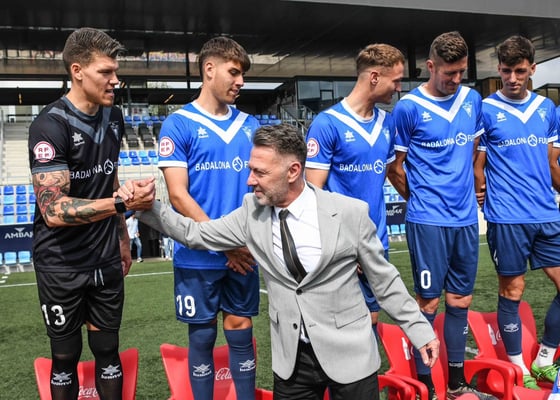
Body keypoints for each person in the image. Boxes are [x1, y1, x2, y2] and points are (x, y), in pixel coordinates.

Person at [122, 123, 439, 400]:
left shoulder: (348, 213)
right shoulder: (251, 212)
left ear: (293, 171)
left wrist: (419, 330)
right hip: (292, 362)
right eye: (251, 170)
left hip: (351, 357)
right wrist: (147, 206)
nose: (250, 180)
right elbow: (195, 234)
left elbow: (384, 281)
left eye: (260, 172)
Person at [27, 27, 155, 400]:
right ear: (78, 71)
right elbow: (53, 210)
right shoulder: (49, 125)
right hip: (61, 264)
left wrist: (122, 238)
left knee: (108, 350)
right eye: (105, 72)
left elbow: (108, 178)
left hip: (105, 256)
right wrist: (122, 204)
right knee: (65, 356)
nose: (115, 80)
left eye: (116, 71)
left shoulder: (114, 117)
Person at [387, 31, 496, 400]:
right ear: (430, 67)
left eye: (461, 72)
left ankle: (456, 384)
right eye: (449, 72)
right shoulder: (408, 108)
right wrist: (420, 199)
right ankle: (427, 388)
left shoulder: (472, 99)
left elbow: (475, 149)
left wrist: (475, 183)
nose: (455, 79)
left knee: (460, 301)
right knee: (429, 303)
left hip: (465, 219)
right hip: (428, 221)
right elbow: (395, 167)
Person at [156, 36, 261, 400]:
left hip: (243, 255)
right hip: (198, 255)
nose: (241, 82)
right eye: (234, 72)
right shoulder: (178, 124)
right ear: (209, 69)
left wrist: (241, 244)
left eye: (243, 74)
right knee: (201, 336)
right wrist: (224, 244)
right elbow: (177, 195)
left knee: (241, 328)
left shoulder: (251, 125)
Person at [474, 35, 560, 389]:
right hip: (507, 217)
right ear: (498, 69)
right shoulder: (484, 109)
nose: (512, 78)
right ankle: (518, 368)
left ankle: (544, 358)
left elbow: (552, 163)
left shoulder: (547, 109)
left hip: (547, 214)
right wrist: (481, 193)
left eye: (520, 71)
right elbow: (477, 165)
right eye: (506, 71)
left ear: (532, 69)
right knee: (513, 290)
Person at [305, 43, 404, 337]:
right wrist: (348, 245)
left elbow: (390, 174)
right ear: (374, 77)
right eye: (396, 80)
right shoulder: (327, 124)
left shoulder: (387, 123)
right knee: (344, 325)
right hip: (341, 247)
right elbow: (312, 193)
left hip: (376, 242)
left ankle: (367, 370)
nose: (399, 88)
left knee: (372, 317)